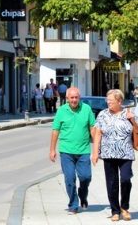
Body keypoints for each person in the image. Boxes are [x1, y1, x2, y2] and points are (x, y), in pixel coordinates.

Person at [49, 87, 95, 215]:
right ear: (67, 99)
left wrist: (97, 147)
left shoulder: (86, 109)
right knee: (69, 179)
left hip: (84, 150)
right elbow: (55, 131)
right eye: (72, 98)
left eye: (76, 97)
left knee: (86, 177)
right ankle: (73, 205)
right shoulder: (61, 111)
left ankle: (83, 195)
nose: (74, 100)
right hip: (66, 151)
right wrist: (52, 149)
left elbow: (92, 129)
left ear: (79, 98)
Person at [92, 89, 135, 221]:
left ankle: (125, 207)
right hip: (108, 153)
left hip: (126, 153)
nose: (108, 102)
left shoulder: (128, 113)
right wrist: (95, 152)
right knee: (112, 183)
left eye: (111, 101)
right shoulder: (102, 114)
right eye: (108, 100)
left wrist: (133, 120)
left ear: (119, 101)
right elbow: (97, 133)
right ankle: (115, 211)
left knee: (126, 179)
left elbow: (137, 130)